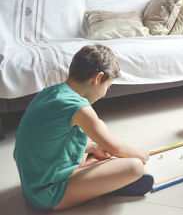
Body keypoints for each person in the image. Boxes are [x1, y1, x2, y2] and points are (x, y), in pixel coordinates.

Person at [13, 44, 153, 211]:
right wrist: (141, 154)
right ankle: (100, 183)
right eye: (107, 87)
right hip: (48, 194)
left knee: (97, 127)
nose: (104, 93)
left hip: (34, 181)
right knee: (135, 166)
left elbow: (51, 141)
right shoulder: (79, 108)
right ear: (98, 78)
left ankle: (95, 171)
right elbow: (114, 147)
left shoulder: (50, 92)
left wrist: (94, 147)